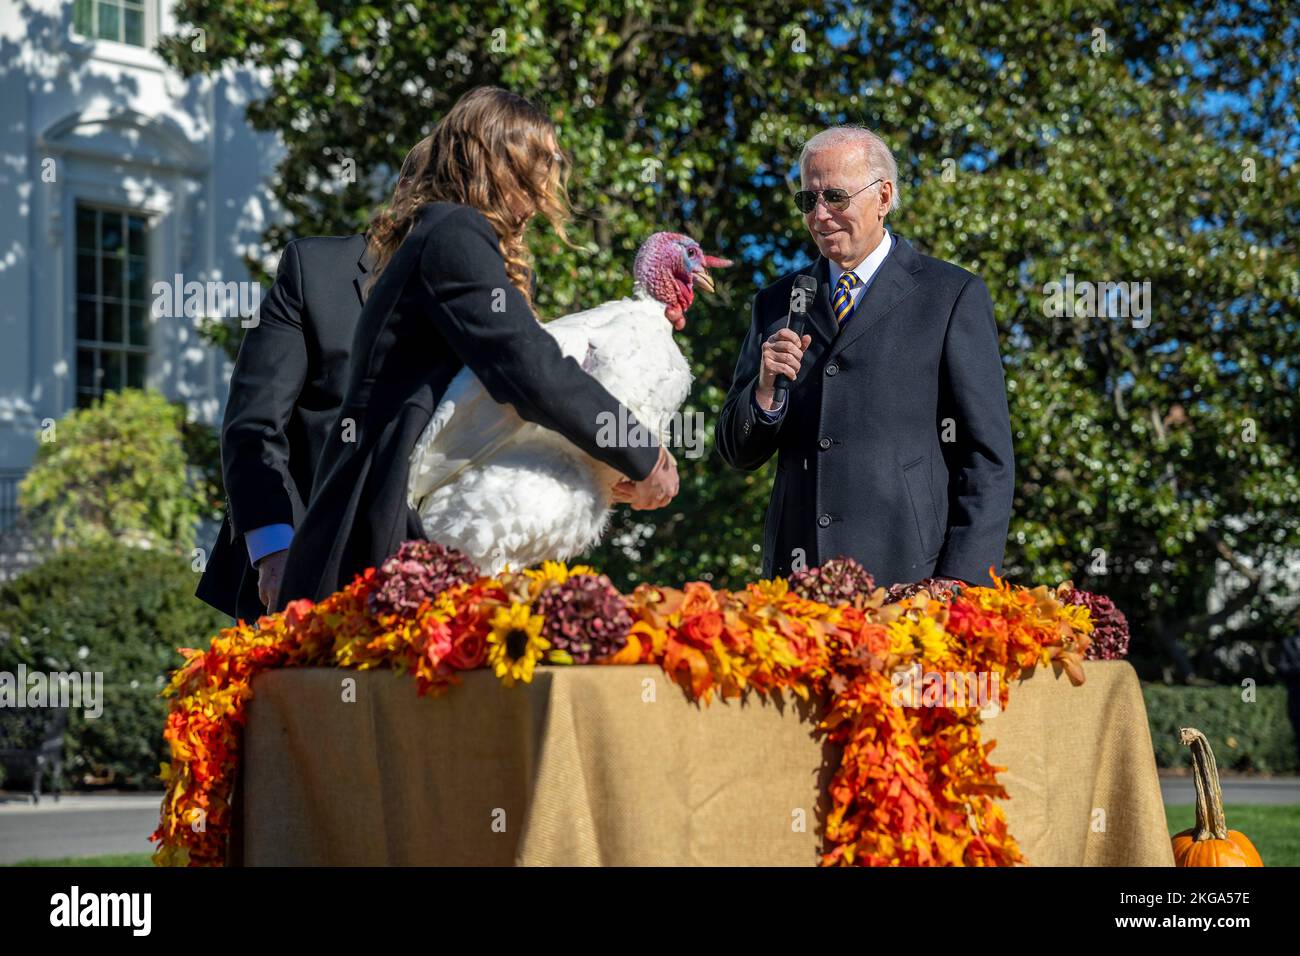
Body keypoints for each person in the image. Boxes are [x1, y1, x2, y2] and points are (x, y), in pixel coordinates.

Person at [275, 86, 678, 608]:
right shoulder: (453, 232)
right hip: (379, 543)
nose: (541, 197)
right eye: (538, 169)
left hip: (378, 534)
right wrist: (643, 453)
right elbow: (528, 368)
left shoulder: (440, 234)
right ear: (499, 161)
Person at [716, 126, 1014, 587]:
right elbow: (737, 450)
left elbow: (986, 462)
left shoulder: (951, 296)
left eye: (835, 196)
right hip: (798, 583)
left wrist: (959, 586)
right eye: (807, 201)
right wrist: (764, 392)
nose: (819, 215)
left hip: (911, 583)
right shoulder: (776, 302)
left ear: (883, 196)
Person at [196, 138, 433, 620]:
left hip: (436, 582)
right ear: (405, 189)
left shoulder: (486, 296)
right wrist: (277, 551)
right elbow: (254, 426)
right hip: (306, 578)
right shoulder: (315, 270)